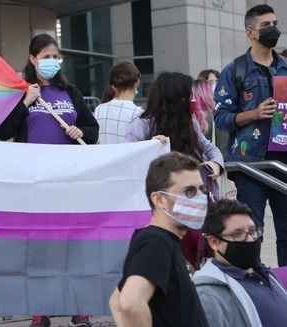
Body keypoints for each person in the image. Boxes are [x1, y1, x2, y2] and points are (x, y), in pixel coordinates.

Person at [0, 34, 98, 327]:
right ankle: (41, 310)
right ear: (32, 59)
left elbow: (92, 129)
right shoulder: (22, 93)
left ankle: (81, 308)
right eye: (46, 56)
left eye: (56, 56)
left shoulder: (72, 93)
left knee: (74, 245)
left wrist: (81, 132)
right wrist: (26, 102)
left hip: (70, 182)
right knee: (40, 247)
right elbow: (3, 131)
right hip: (35, 183)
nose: (52, 62)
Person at [124, 72, 224, 269]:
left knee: (197, 253)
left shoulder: (191, 124)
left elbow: (209, 148)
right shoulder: (140, 126)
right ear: (174, 98)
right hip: (162, 207)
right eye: (188, 96)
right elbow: (127, 160)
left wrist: (216, 163)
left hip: (194, 205)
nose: (193, 101)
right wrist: (146, 147)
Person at [214, 4, 287, 267]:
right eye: (266, 26)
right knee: (251, 233)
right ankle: (255, 288)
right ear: (250, 33)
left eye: (275, 23)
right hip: (249, 167)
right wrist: (254, 114)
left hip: (283, 165)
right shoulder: (234, 71)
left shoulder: (285, 68)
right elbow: (221, 118)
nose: (273, 30)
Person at [108, 151, 210, 327]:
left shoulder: (162, 240)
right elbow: (130, 303)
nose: (200, 198)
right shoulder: (157, 241)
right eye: (189, 191)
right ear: (159, 199)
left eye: (202, 189)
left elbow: (116, 302)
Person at [193, 198, 287, 326]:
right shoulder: (208, 295)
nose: (249, 240)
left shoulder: (264, 273)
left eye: (252, 231)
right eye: (237, 234)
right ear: (214, 242)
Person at [94, 62, 144, 144]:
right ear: (137, 83)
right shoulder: (139, 114)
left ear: (113, 87)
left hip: (104, 156)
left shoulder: (99, 110)